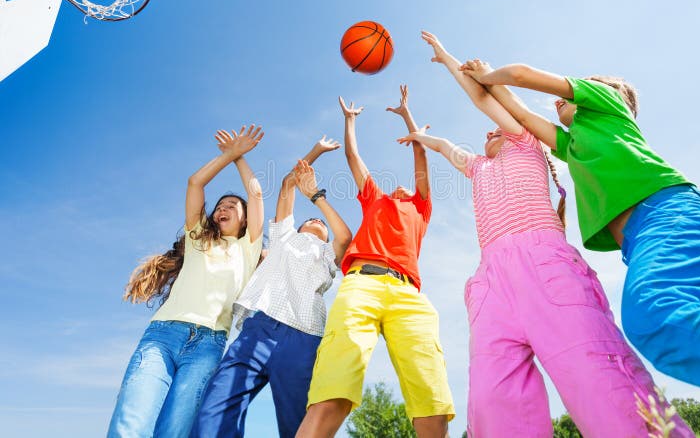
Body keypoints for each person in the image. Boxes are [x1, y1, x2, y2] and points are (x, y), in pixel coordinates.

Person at [460, 57, 700, 438]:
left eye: (568, 97)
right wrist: (478, 83)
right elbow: (520, 114)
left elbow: (522, 76)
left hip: (669, 215)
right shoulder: (572, 146)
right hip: (644, 240)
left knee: (656, 315)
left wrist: (486, 74)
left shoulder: (608, 103)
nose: (558, 103)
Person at [394, 31, 693, 437]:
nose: (488, 133)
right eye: (487, 134)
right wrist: (417, 134)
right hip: (490, 285)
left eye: (494, 129)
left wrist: (447, 57)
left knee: (599, 382)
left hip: (543, 264)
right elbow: (445, 146)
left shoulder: (525, 143)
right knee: (492, 402)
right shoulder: (478, 168)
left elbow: (483, 99)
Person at [295, 88, 455, 438]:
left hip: (408, 294)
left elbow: (420, 152)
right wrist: (349, 122)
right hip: (361, 284)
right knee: (332, 392)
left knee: (432, 403)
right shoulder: (376, 199)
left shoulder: (420, 207)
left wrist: (407, 116)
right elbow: (354, 158)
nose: (400, 185)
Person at [107, 126, 265, 438]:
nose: (223, 209)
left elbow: (256, 193)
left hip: (208, 346)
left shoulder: (249, 249)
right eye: (220, 206)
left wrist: (240, 158)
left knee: (174, 432)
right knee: (130, 424)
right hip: (162, 337)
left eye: (232, 206)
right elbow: (195, 182)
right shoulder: (197, 239)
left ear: (245, 220)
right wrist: (229, 154)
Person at [191, 136, 352, 438]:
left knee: (299, 426)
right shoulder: (284, 237)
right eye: (311, 219)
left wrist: (316, 196)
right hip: (258, 328)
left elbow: (345, 237)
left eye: (322, 223)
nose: (316, 220)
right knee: (214, 411)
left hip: (303, 337)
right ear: (298, 225)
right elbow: (287, 186)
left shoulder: (328, 254)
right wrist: (314, 152)